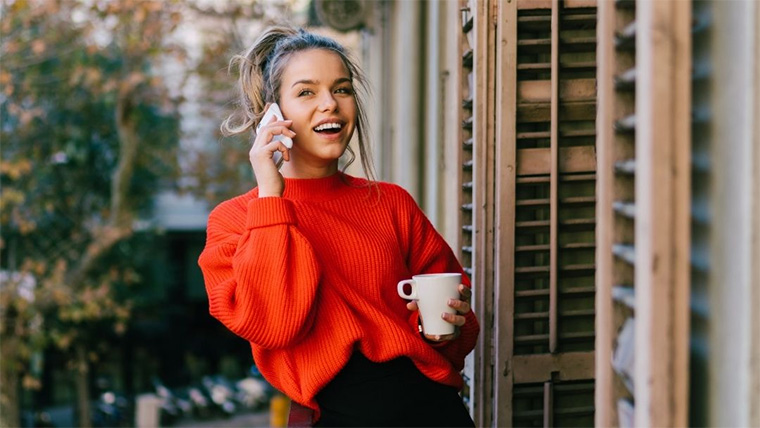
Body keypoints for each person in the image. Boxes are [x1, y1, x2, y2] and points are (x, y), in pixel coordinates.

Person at [198, 25, 479, 427]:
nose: (330, 104)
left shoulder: (391, 202)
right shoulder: (237, 220)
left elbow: (463, 327)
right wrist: (271, 199)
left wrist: (444, 329)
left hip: (434, 410)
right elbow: (275, 325)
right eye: (306, 92)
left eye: (342, 89)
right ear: (272, 116)